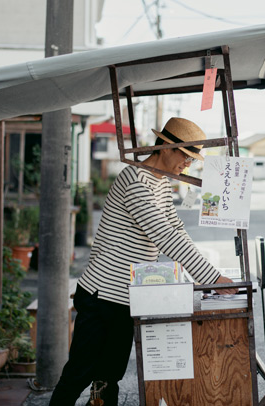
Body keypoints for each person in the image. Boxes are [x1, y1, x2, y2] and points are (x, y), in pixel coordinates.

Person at [49, 117, 237, 406]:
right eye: (185, 156)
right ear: (165, 147)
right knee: (78, 373)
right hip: (102, 294)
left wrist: (211, 274)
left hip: (128, 297)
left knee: (109, 377)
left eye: (192, 159)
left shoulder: (160, 184)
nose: (187, 164)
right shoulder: (134, 179)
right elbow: (164, 236)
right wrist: (210, 277)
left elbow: (177, 230)